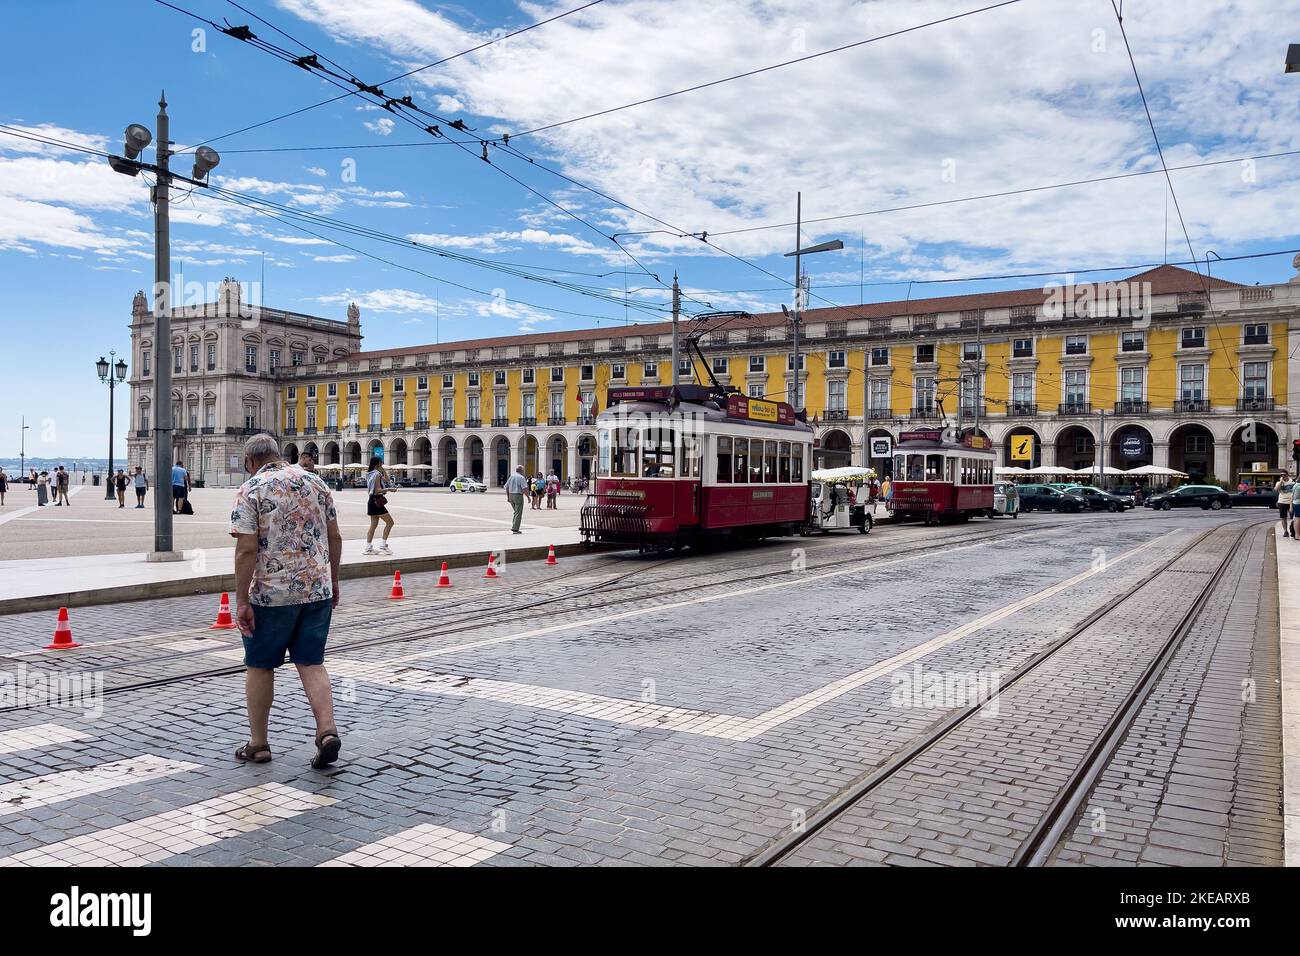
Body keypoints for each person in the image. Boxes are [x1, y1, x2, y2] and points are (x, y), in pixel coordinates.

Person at [229, 433, 342, 769]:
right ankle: (327, 731)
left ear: (250, 462)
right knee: (311, 662)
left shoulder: (250, 489)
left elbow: (246, 549)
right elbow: (334, 537)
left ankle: (259, 743)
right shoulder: (316, 483)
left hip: (271, 595)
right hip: (316, 590)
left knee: (261, 666)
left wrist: (241, 601)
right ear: (278, 454)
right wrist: (333, 580)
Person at [363, 456, 394, 555]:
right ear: (378, 463)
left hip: (372, 500)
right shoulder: (376, 474)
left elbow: (387, 479)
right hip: (377, 501)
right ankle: (383, 546)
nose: (382, 464)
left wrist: (382, 469)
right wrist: (389, 489)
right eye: (381, 463)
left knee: (373, 525)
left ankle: (368, 548)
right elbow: (377, 490)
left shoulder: (371, 474)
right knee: (390, 522)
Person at [505, 465, 528, 534]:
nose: (523, 471)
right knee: (518, 512)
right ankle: (515, 528)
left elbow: (506, 487)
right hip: (518, 495)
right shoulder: (521, 478)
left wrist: (508, 496)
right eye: (523, 470)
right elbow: (524, 488)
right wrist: (528, 497)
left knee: (515, 512)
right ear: (521, 470)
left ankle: (514, 526)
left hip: (511, 495)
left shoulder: (511, 476)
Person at [1275, 472, 1294, 537]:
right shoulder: (1279, 483)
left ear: (1287, 475)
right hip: (1282, 502)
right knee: (1283, 517)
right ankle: (1285, 531)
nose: (1283, 476)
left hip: (1291, 502)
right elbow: (1276, 489)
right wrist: (1281, 482)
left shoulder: (1292, 482)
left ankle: (1293, 531)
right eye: (1281, 475)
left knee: (1294, 517)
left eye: (1284, 475)